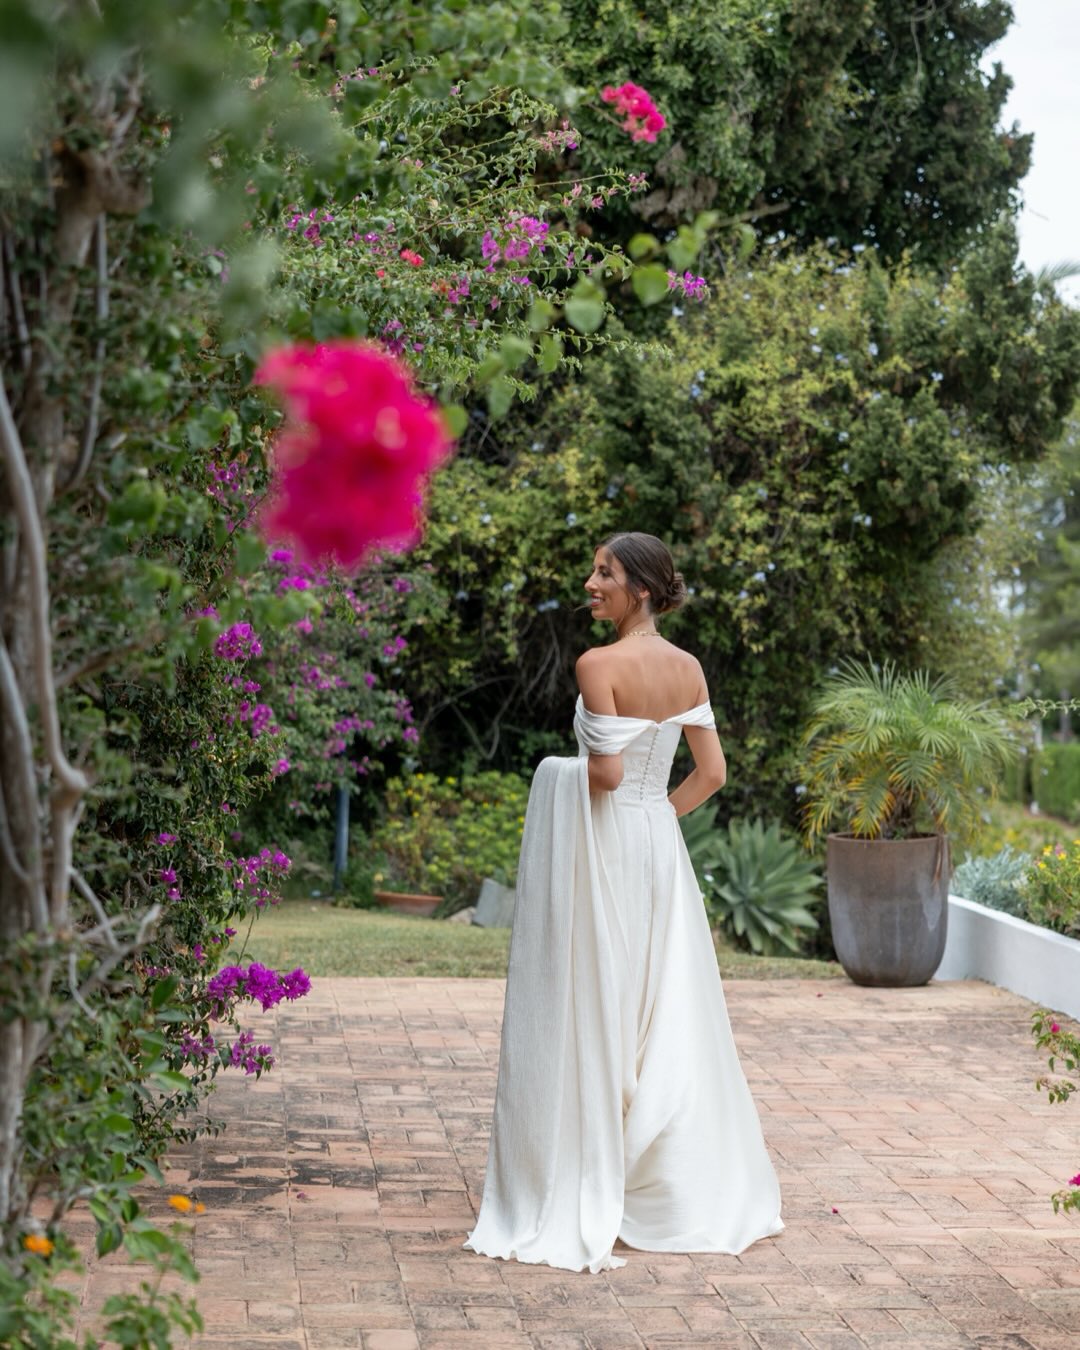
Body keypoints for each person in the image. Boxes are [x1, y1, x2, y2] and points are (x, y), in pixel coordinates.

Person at [463, 532, 783, 1273]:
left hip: (604, 842)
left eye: (603, 572)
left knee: (595, 992)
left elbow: (603, 775)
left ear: (639, 587)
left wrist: (550, 771)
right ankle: (657, 1176)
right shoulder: (688, 667)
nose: (590, 582)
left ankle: (592, 1163)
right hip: (656, 846)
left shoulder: (597, 664)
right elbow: (712, 773)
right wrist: (659, 815)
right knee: (656, 999)